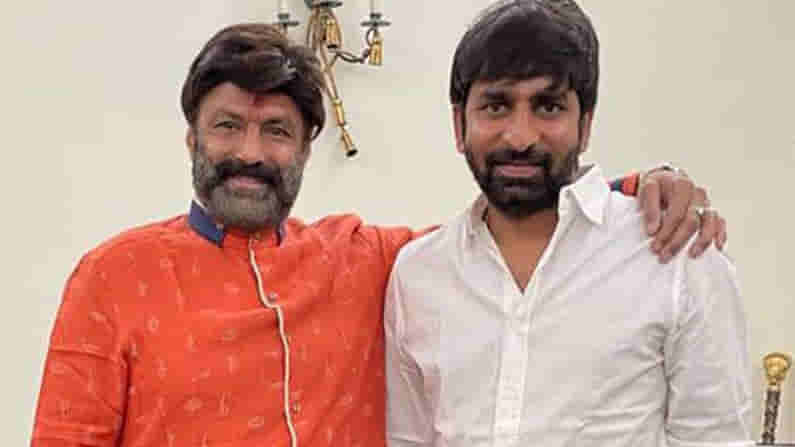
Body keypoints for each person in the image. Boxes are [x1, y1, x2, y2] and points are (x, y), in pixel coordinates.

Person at [31, 23, 725, 447]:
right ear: (192, 137)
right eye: (227, 126)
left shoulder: (361, 258)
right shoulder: (113, 275)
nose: (250, 152)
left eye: (276, 131)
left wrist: (634, 186)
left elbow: (511, 224)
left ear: (306, 148)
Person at [385, 1, 751, 446]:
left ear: (585, 124)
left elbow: (715, 438)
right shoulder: (418, 274)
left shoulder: (675, 253)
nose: (520, 137)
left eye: (549, 106)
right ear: (459, 124)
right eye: (496, 106)